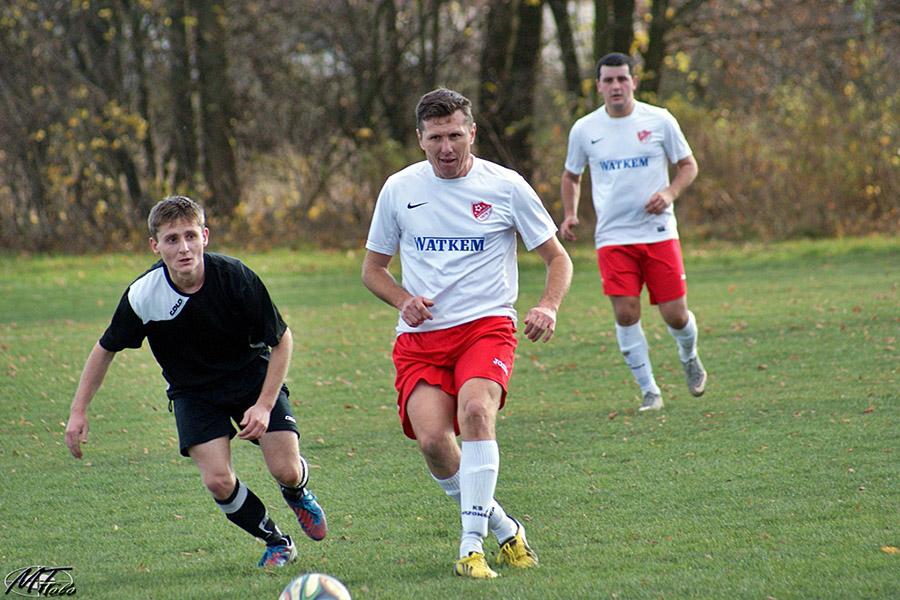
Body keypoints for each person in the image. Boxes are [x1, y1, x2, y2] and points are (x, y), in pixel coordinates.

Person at [362, 88, 573, 579]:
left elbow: (557, 258)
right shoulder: (398, 189)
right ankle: (504, 527)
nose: (446, 147)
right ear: (420, 139)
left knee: (477, 411)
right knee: (434, 442)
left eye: (455, 134)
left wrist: (548, 305)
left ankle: (471, 546)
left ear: (472, 133)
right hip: (422, 339)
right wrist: (403, 300)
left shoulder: (506, 186)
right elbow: (373, 270)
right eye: (435, 137)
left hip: (487, 326)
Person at [64, 196, 327, 568]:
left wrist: (265, 405)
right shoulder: (143, 294)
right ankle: (276, 541)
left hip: (251, 376)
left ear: (205, 236)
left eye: (190, 235)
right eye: (172, 239)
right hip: (194, 392)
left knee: (285, 468)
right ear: (155, 246)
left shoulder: (235, 277)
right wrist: (78, 411)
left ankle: (297, 490)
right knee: (218, 480)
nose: (183, 247)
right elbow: (105, 348)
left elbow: (281, 340)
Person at [560, 52, 707, 412]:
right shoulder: (585, 129)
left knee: (675, 315)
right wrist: (570, 214)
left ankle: (689, 356)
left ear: (634, 82)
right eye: (608, 80)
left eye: (622, 79)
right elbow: (571, 175)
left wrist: (669, 193)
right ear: (598, 86)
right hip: (613, 237)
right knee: (626, 313)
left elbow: (688, 165)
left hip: (658, 233)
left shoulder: (659, 120)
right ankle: (650, 391)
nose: (616, 86)